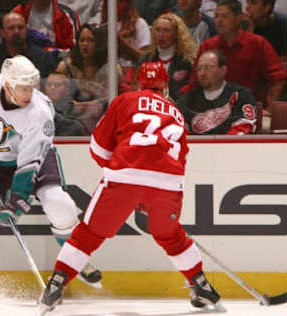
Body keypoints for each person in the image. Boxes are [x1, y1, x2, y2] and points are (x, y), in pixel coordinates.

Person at [38, 62, 225, 314]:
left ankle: (56, 284)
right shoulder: (176, 112)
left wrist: (122, 176)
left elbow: (98, 146)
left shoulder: (125, 100)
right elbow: (181, 158)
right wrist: (151, 188)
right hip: (169, 183)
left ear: (137, 83)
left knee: (89, 234)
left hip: (125, 174)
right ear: (166, 86)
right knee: (170, 236)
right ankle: (201, 284)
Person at [0, 55, 102, 304]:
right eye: (22, 88)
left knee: (58, 203)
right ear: (7, 84)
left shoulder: (39, 113)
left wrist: (17, 200)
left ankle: (77, 260)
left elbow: (30, 164)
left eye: (31, 87)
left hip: (34, 158)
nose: (28, 93)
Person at [181, 0, 287, 116]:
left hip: (250, 110)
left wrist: (270, 109)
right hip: (214, 111)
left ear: (238, 18)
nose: (219, 21)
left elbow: (278, 78)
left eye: (225, 16)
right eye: (216, 16)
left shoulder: (258, 43)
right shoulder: (208, 46)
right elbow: (194, 82)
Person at [56, 23, 122, 132]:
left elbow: (109, 100)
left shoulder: (112, 69)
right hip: (71, 119)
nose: (85, 44)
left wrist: (82, 106)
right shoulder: (65, 67)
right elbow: (58, 99)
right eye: (82, 40)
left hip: (102, 117)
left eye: (91, 40)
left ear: (99, 43)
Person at [178, 49, 257, 134]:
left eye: (208, 68)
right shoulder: (188, 98)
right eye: (199, 68)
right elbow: (177, 127)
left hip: (230, 145)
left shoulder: (241, 95)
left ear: (223, 70)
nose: (202, 73)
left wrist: (222, 144)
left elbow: (245, 125)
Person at [121, 13, 196, 101]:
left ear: (176, 34)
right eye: (158, 30)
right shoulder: (145, 60)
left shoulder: (187, 61)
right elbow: (133, 87)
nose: (161, 35)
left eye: (166, 30)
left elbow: (192, 93)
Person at [0, 12, 57, 78]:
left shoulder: (43, 58)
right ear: (2, 33)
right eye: (11, 28)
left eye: (21, 27)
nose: (16, 32)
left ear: (26, 30)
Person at [101, 0, 151, 70]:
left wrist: (120, 40)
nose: (115, 5)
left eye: (119, 1)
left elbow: (146, 57)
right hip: (108, 72)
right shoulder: (103, 26)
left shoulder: (139, 24)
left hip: (133, 71)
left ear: (128, 3)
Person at [12, 0, 80, 52]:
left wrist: (51, 51)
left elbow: (74, 50)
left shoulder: (66, 15)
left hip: (57, 61)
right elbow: (7, 43)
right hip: (24, 59)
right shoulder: (18, 12)